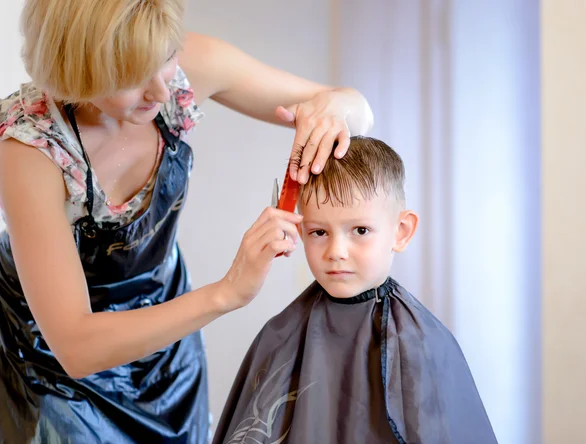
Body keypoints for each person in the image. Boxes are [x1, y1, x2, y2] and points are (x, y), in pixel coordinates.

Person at [0, 1, 374, 443]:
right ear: (77, 68)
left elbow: (357, 110)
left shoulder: (178, 67)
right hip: (55, 366)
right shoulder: (28, 150)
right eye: (135, 75)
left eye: (167, 57)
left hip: (169, 345)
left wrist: (331, 112)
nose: (162, 90)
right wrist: (227, 292)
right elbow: (77, 347)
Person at [212, 136, 498, 444]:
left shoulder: (424, 344)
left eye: (360, 230)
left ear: (400, 232)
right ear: (300, 233)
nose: (336, 251)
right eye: (319, 232)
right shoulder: (279, 335)